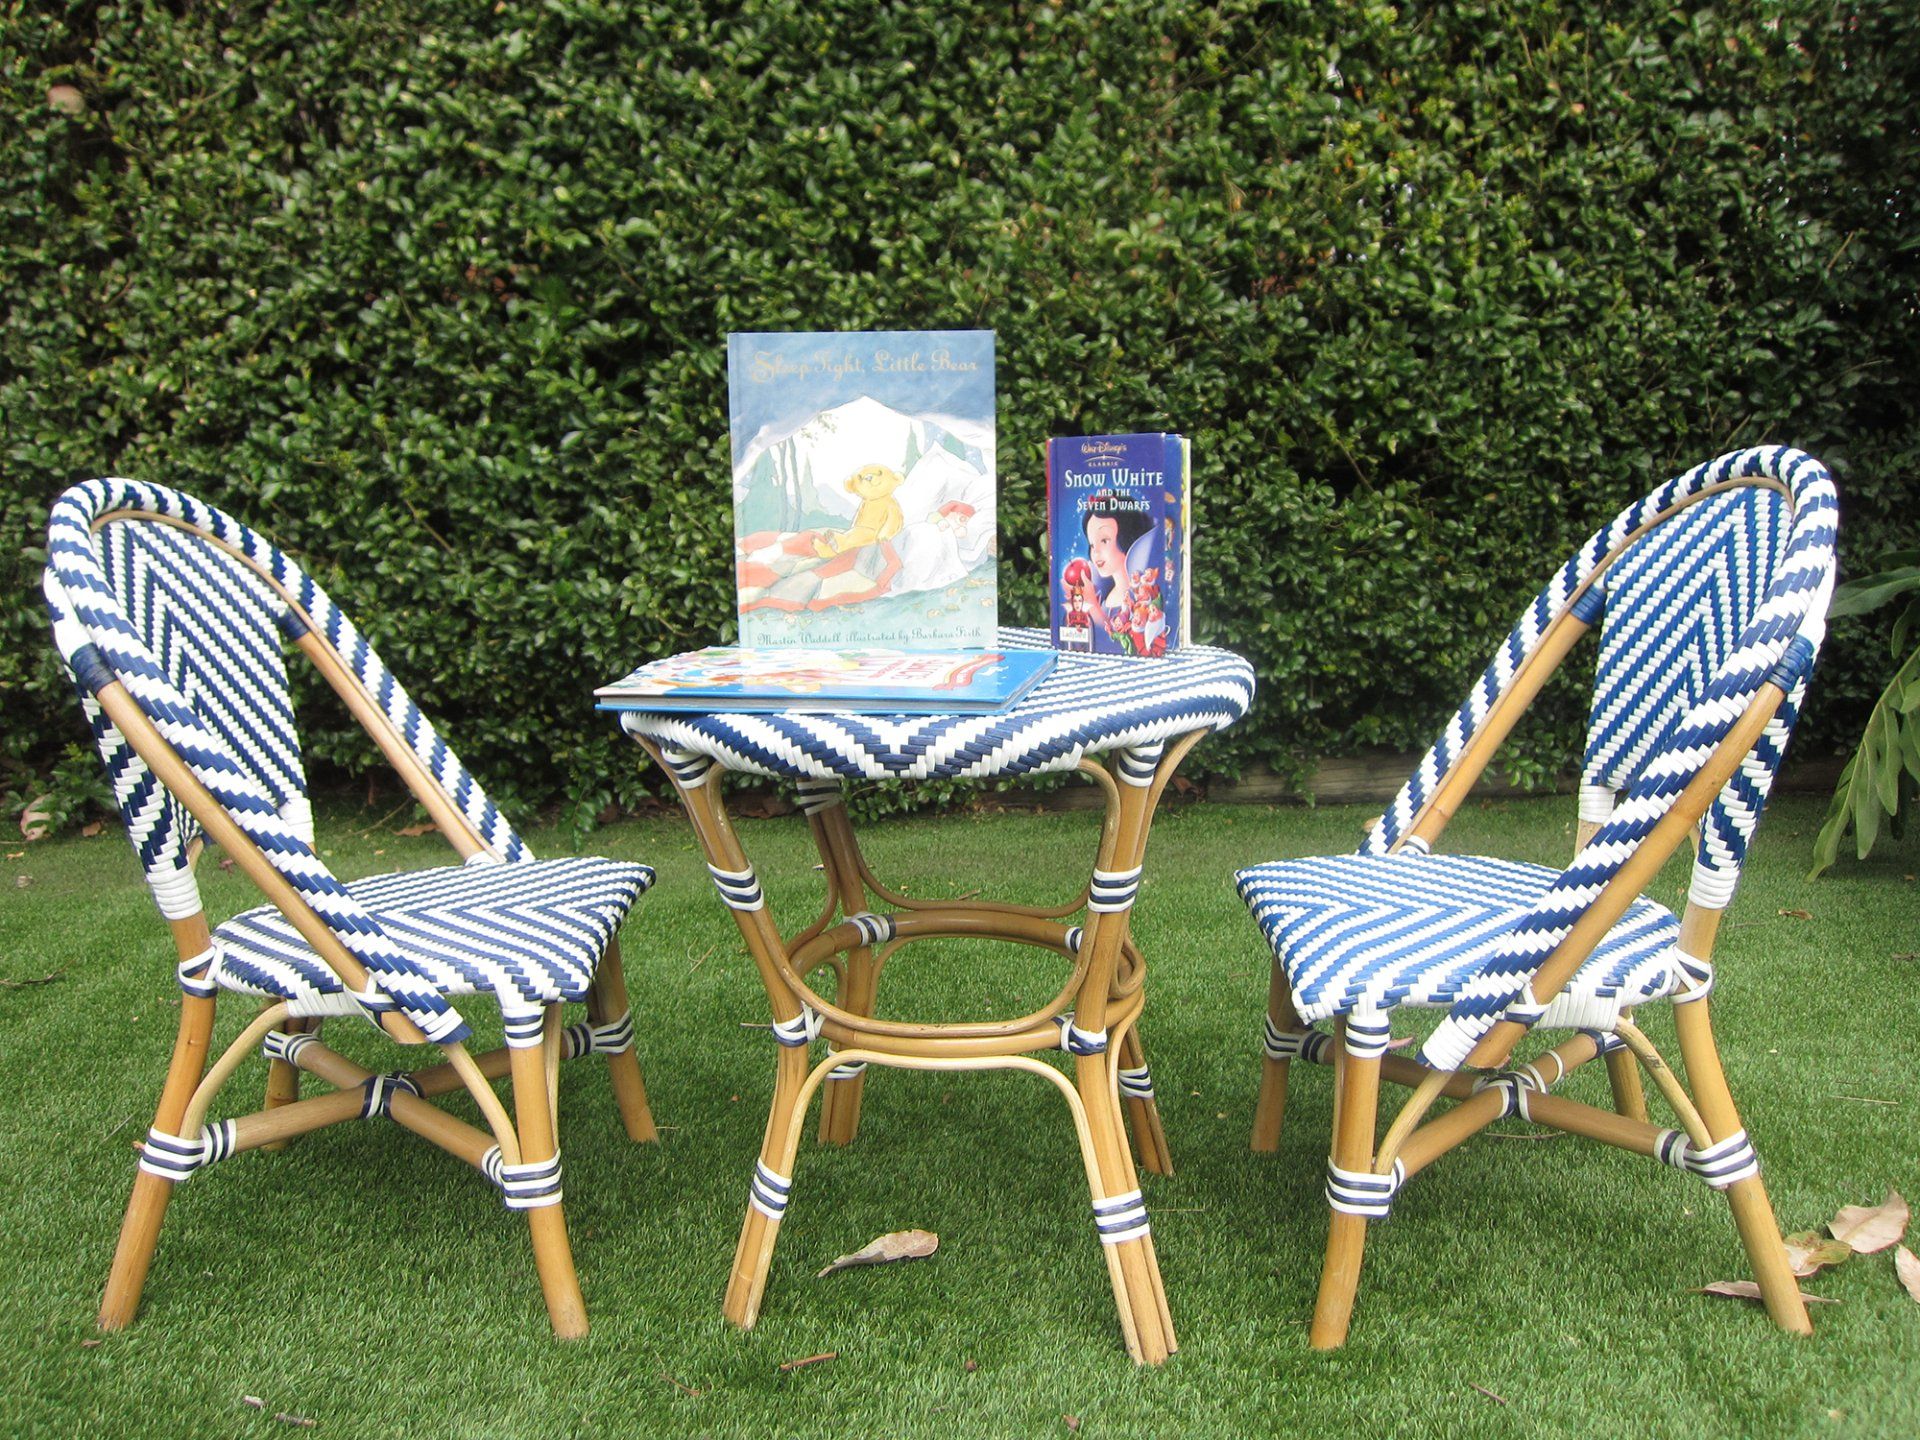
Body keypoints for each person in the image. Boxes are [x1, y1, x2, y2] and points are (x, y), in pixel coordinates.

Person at [1067, 493, 1156, 653]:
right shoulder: (1106, 592)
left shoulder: (1138, 597)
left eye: (1104, 541)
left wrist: (1092, 606)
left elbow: (1118, 644)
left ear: (1126, 537)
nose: (1096, 552)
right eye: (1092, 544)